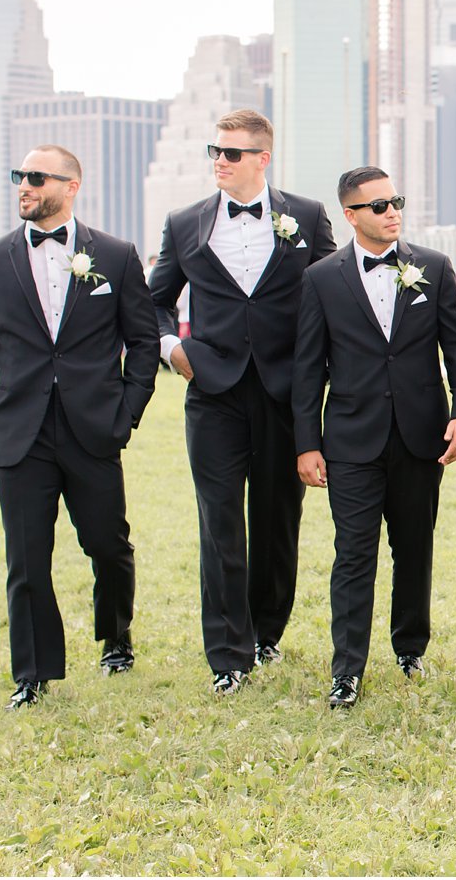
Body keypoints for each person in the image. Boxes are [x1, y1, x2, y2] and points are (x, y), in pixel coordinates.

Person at [0, 145, 159, 708]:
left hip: (94, 429)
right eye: (19, 176)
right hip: (21, 433)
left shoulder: (114, 256)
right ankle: (33, 674)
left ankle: (116, 639)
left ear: (71, 186)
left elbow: (142, 342)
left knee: (108, 546)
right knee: (26, 557)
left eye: (36, 177)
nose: (24, 185)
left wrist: (127, 412)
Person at [147, 109, 336, 695]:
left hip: (286, 393)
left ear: (262, 158)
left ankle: (267, 632)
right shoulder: (183, 223)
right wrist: (170, 348)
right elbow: (153, 300)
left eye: (231, 153)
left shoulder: (305, 216)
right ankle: (228, 655)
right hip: (212, 392)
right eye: (215, 152)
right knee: (219, 521)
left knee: (279, 518)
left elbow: (336, 288)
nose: (220, 162)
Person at [293, 167, 456, 709]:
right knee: (353, 554)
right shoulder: (321, 279)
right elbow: (308, 370)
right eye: (377, 206)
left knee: (414, 548)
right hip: (351, 440)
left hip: (422, 436)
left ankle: (410, 648)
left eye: (395, 200)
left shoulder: (435, 267)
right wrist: (307, 444)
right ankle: (347, 669)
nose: (391, 211)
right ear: (351, 215)